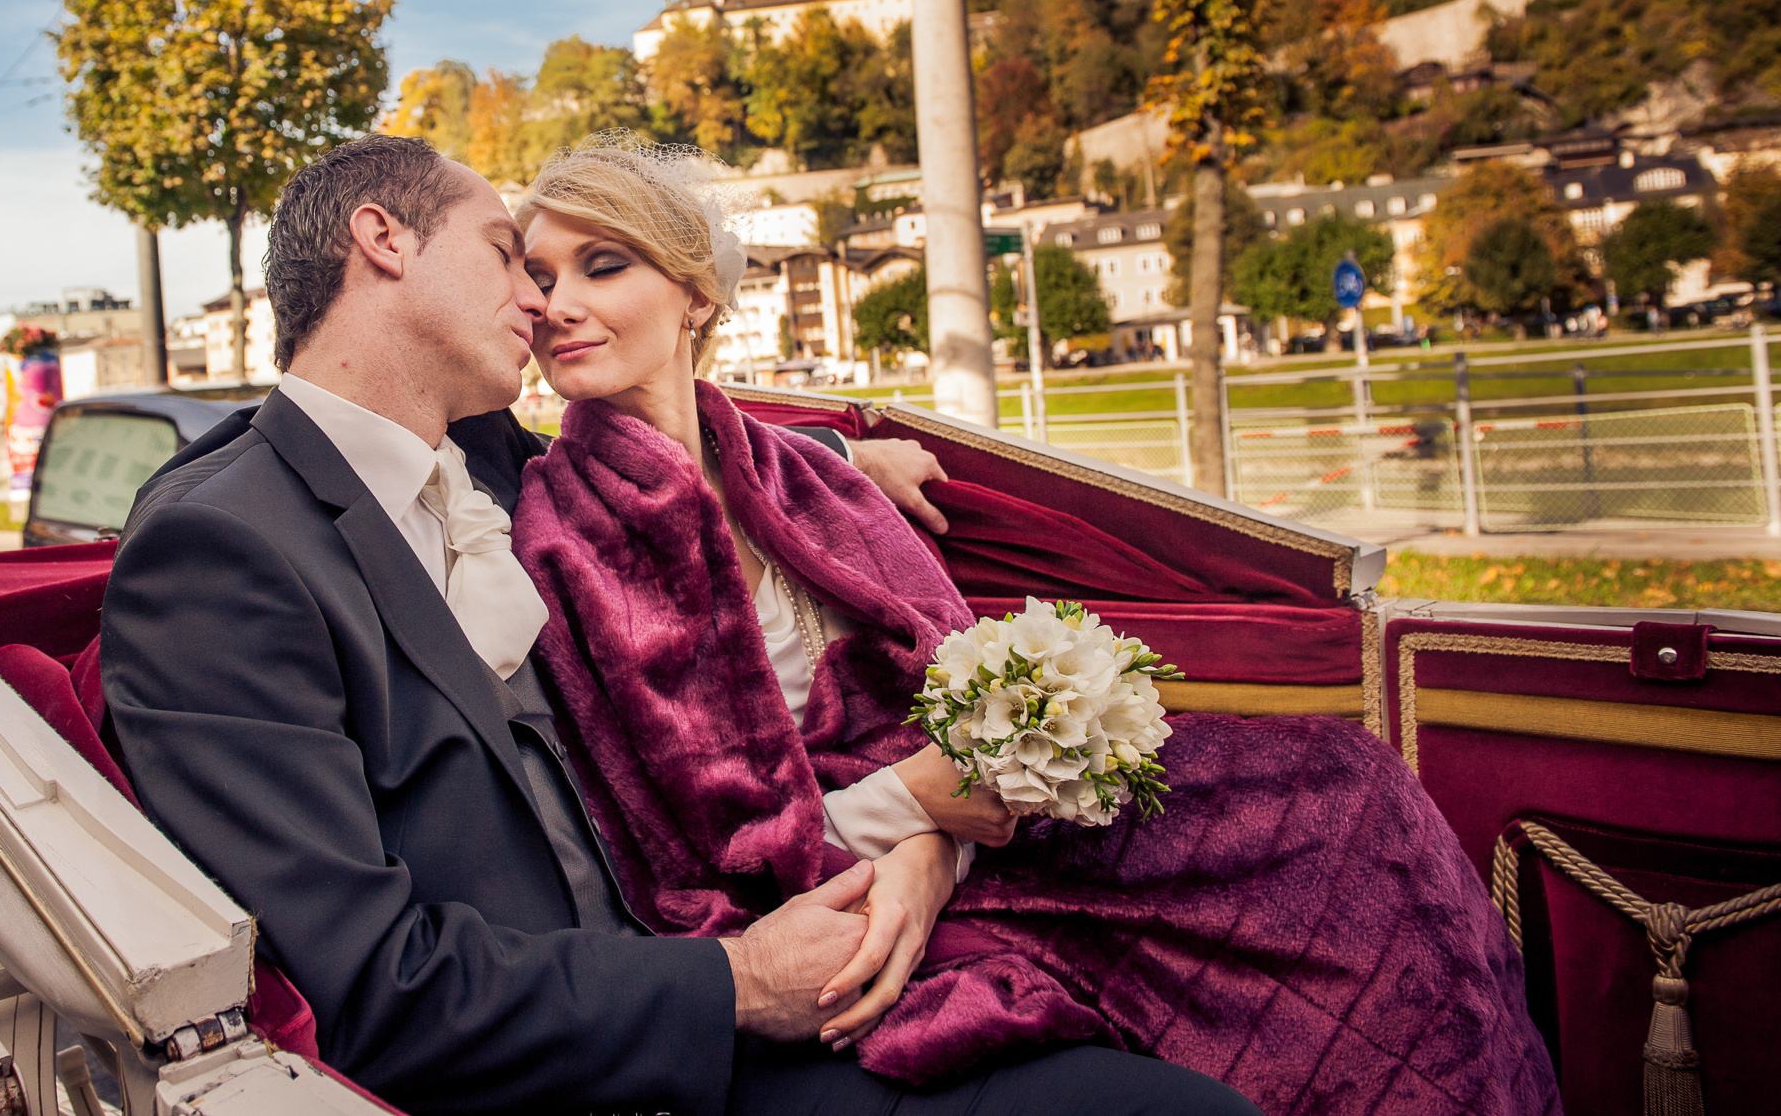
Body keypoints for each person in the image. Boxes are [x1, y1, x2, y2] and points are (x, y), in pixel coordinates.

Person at [100, 134, 1256, 1115]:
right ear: (384, 242)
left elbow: (672, 452)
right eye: (510, 254)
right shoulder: (224, 549)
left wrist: (849, 456)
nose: (539, 302)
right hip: (627, 1052)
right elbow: (372, 988)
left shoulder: (478, 459)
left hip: (757, 939)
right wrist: (737, 983)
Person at [506, 135, 1559, 1114]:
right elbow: (707, 855)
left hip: (970, 822)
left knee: (1350, 790)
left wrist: (963, 807)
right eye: (540, 276)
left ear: (695, 295)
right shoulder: (575, 532)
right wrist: (927, 813)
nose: (558, 304)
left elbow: (945, 655)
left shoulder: (786, 466)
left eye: (603, 265)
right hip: (841, 873)